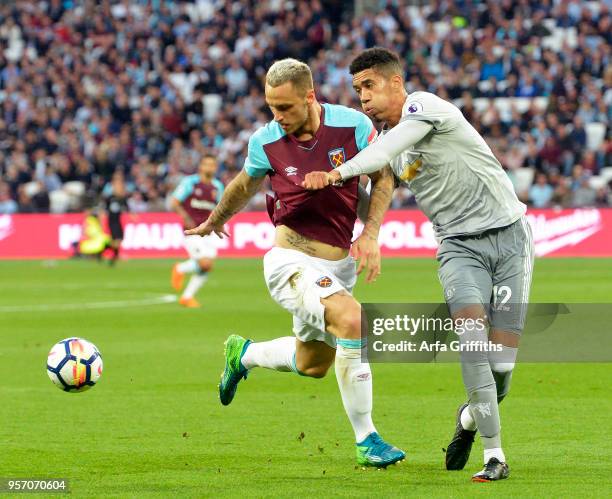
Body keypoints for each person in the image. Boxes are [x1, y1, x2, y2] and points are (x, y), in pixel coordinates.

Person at [303, 47, 534, 482]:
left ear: (395, 82)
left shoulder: (423, 106)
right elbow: (372, 195)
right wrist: (350, 210)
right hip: (457, 250)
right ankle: (495, 455)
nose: (363, 98)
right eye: (356, 91)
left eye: (369, 86)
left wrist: (336, 174)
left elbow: (378, 155)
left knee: (501, 366)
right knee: (471, 340)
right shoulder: (387, 145)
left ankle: (468, 420)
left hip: (510, 240)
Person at [185, 58, 405, 468]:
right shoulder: (265, 141)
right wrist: (214, 221)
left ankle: (243, 354)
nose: (278, 117)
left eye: (285, 107)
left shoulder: (353, 126)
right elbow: (243, 184)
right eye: (271, 107)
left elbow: (384, 177)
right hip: (290, 261)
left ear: (309, 96)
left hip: (337, 266)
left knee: (313, 364)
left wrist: (371, 234)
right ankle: (367, 440)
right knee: (354, 321)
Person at [171, 155, 224, 308]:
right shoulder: (190, 182)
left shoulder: (217, 186)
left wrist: (219, 223)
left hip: (209, 231)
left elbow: (220, 207)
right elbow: (174, 202)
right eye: (206, 164)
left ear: (215, 168)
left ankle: (186, 296)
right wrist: (185, 217)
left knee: (207, 266)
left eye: (212, 165)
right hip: (192, 231)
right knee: (205, 264)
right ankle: (180, 269)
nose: (209, 167)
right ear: (200, 166)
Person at [103, 173, 130, 265]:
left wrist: (131, 214)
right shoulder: (110, 198)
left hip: (118, 221)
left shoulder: (122, 198)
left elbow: (126, 208)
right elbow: (105, 209)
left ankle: (105, 251)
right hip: (112, 220)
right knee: (116, 239)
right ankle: (113, 257)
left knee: (118, 239)